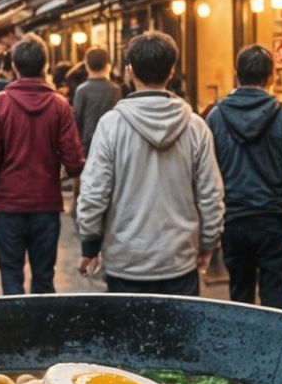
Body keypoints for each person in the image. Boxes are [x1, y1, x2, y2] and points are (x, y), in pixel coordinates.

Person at [76, 31, 224, 295]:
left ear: (130, 72)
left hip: (125, 262)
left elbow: (94, 192)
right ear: (172, 72)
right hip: (179, 260)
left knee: (130, 337)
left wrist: (90, 245)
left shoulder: (112, 125)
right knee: (179, 336)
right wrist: (208, 243)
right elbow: (210, 194)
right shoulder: (195, 127)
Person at [0, 34, 86, 294]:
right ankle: (41, 332)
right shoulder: (60, 105)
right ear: (45, 66)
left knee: (11, 276)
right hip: (46, 205)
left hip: (9, 205)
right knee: (44, 278)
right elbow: (74, 158)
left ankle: (15, 332)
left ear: (14, 66)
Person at [206, 44, 282, 309]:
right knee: (277, 300)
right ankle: (276, 350)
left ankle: (243, 348)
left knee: (240, 298)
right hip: (273, 217)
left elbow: (207, 168)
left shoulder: (216, 117)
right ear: (271, 76)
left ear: (236, 74)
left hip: (233, 218)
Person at [72, 47, 121, 153]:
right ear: (108, 66)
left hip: (88, 145)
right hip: (111, 143)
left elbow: (77, 120)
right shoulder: (115, 89)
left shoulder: (82, 90)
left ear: (86, 66)